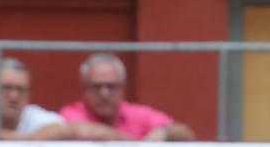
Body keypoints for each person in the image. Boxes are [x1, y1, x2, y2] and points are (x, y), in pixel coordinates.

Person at [59, 53, 195, 142]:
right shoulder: (72, 112)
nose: (104, 93)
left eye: (111, 86)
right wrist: (139, 146)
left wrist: (165, 132)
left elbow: (185, 133)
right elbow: (83, 132)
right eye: (96, 87)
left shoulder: (137, 113)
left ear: (123, 88)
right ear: (85, 89)